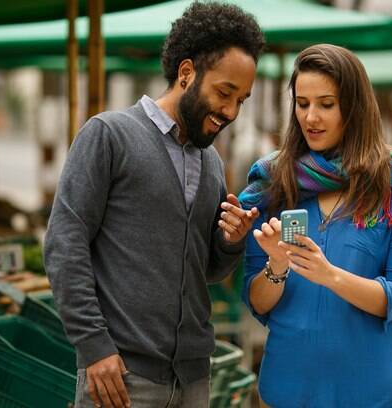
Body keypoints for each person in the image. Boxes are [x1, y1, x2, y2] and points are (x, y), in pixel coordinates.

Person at [44, 2, 265, 407]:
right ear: (186, 73)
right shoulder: (109, 136)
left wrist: (230, 241)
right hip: (121, 379)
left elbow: (208, 270)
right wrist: (94, 346)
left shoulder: (211, 162)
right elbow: (64, 244)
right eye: (224, 93)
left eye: (242, 100)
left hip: (194, 379)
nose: (231, 112)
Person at [239, 44, 392, 408]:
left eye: (326, 104)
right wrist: (276, 267)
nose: (311, 117)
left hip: (373, 394)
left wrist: (330, 276)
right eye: (302, 103)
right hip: (285, 393)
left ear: (354, 108)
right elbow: (257, 302)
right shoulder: (273, 187)